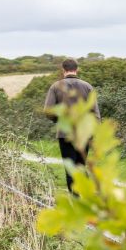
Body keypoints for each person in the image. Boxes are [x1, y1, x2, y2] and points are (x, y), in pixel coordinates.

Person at [44, 59, 100, 194]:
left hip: (65, 133)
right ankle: (86, 195)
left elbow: (48, 111)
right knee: (81, 166)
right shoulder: (88, 87)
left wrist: (59, 120)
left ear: (63, 70)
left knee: (70, 169)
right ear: (77, 69)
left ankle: (75, 199)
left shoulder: (55, 87)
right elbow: (95, 114)